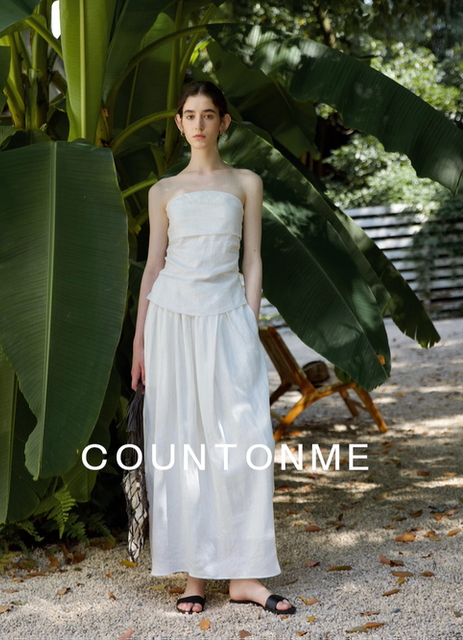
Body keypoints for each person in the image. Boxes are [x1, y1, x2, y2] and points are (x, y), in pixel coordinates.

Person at [131, 80, 296, 616]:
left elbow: (253, 258)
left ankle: (245, 576)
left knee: (243, 440)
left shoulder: (246, 182)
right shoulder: (163, 191)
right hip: (172, 323)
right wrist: (139, 342)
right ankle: (195, 576)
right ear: (179, 123)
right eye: (189, 115)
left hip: (228, 320)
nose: (198, 124)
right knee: (182, 444)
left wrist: (248, 320)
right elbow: (153, 267)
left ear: (223, 122)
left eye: (208, 114)